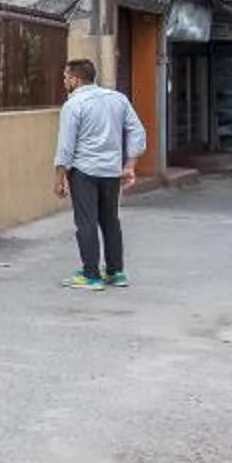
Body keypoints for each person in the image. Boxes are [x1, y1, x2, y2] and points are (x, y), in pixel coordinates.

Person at [53, 57, 147, 290]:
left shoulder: (73, 105)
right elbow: (138, 132)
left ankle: (91, 274)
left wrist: (59, 178)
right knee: (110, 220)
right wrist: (130, 165)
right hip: (111, 171)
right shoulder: (117, 99)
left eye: (66, 77)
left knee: (86, 222)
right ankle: (115, 272)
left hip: (84, 172)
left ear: (75, 79)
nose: (64, 81)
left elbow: (66, 147)